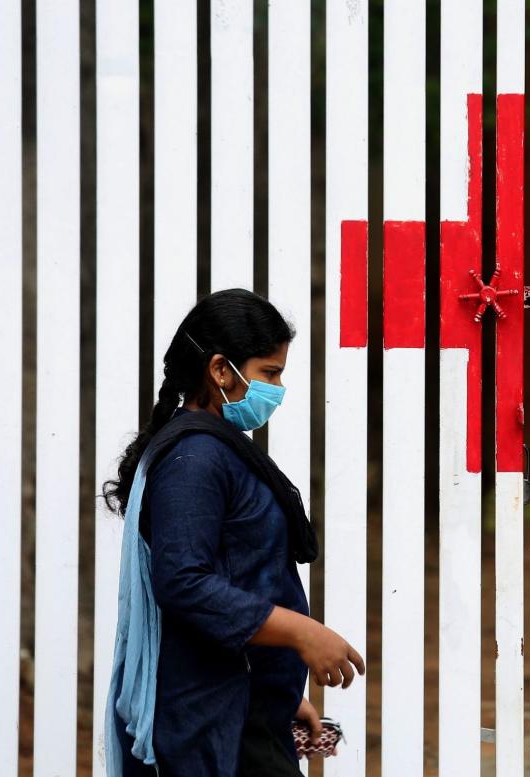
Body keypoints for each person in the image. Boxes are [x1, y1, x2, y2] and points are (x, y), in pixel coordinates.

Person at [103, 288, 364, 776]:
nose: (278, 388)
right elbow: (184, 581)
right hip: (209, 725)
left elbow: (242, 573)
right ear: (221, 371)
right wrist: (303, 632)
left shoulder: (215, 450)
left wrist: (280, 693)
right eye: (269, 373)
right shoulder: (195, 462)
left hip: (245, 707)